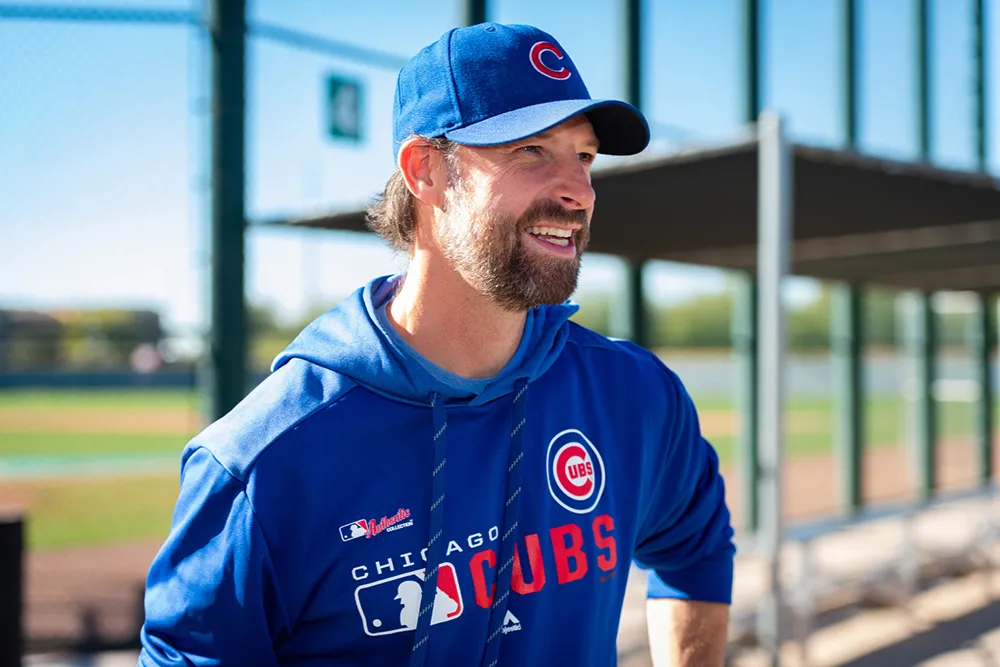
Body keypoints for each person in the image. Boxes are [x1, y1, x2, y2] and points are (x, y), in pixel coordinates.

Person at [138, 22, 734, 667]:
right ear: (425, 170)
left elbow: (695, 549)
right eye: (531, 150)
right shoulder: (263, 462)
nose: (580, 191)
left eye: (585, 157)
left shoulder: (634, 394)